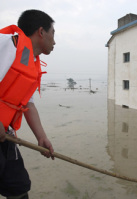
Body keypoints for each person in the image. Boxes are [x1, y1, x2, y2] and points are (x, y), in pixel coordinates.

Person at [0, 10, 56, 199]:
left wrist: (42, 138)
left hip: (5, 135)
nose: (54, 41)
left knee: (18, 186)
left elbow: (28, 105)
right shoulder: (8, 44)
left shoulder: (29, 61)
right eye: (53, 34)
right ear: (41, 32)